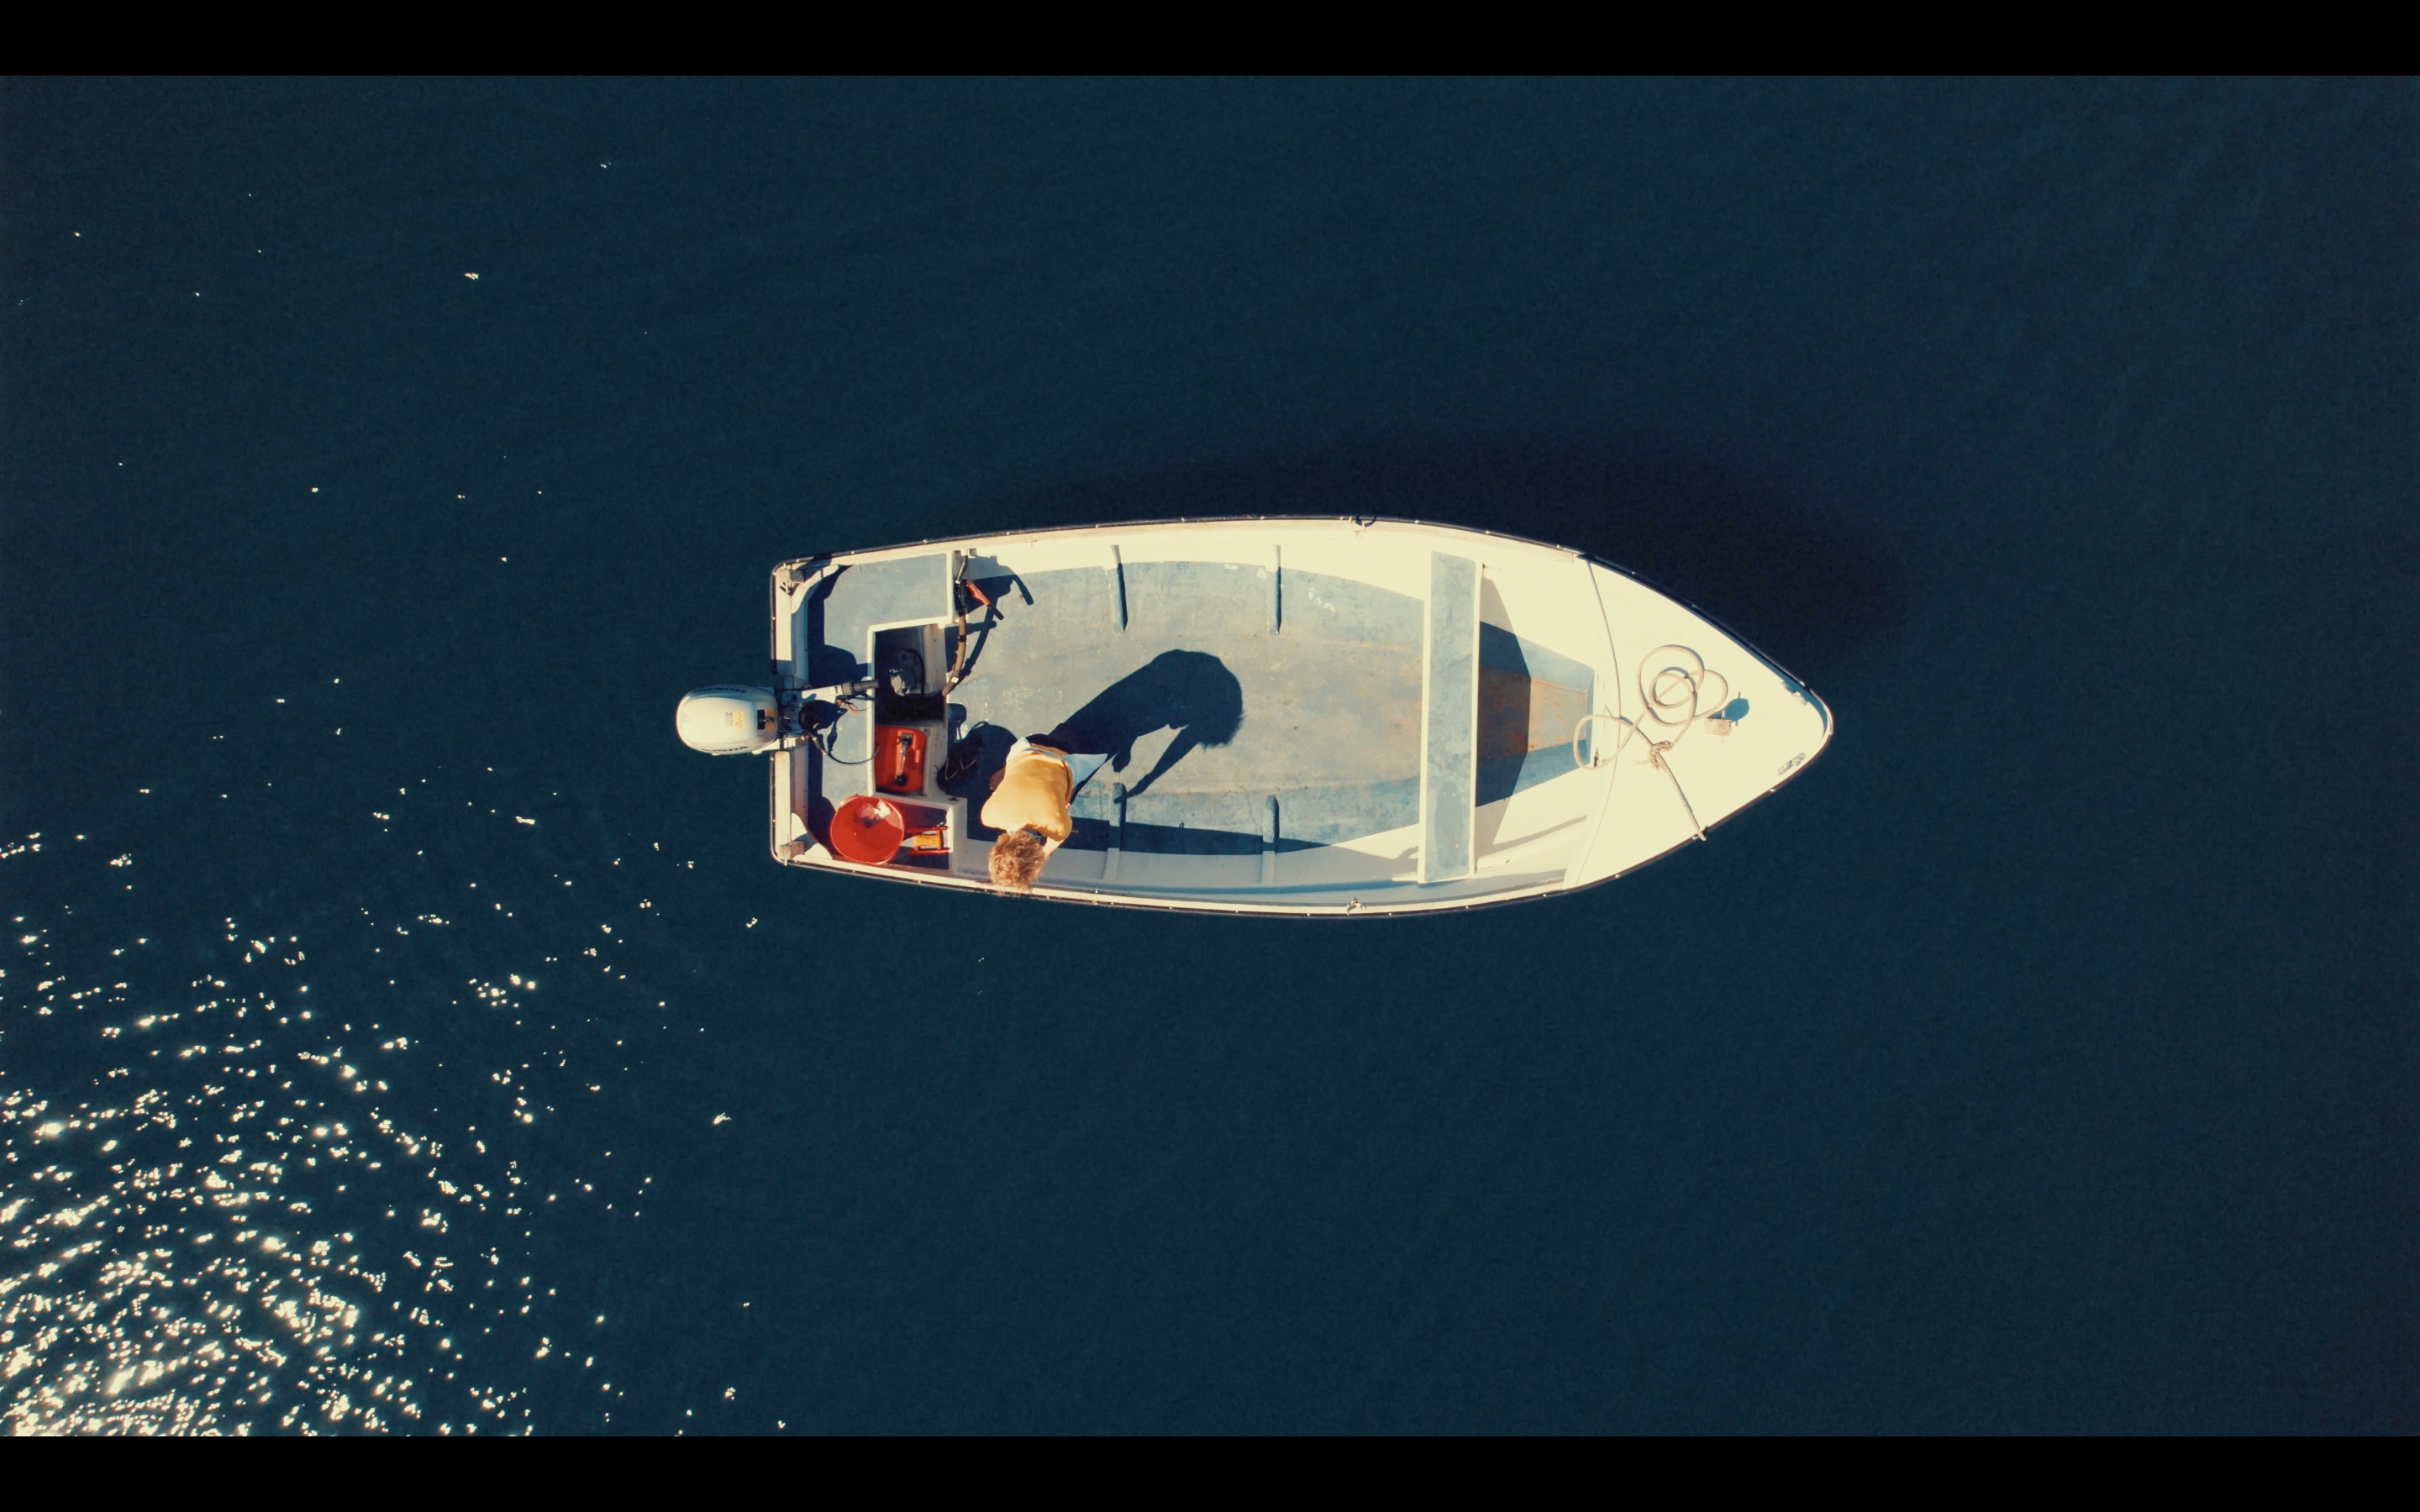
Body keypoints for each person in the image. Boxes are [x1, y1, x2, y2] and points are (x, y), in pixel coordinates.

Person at [981, 734, 1109, 891]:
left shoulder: (1057, 827)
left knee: (1068, 795)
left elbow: (1048, 850)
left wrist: (1045, 852)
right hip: (1029, 745)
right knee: (1020, 770)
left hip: (1066, 755)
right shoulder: (989, 817)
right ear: (997, 848)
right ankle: (1004, 771)